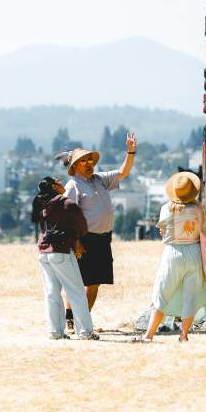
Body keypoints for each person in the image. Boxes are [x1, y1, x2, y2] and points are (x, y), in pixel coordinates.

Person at [57, 133, 137, 328]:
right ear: (74, 166)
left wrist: (131, 151)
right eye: (83, 161)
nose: (88, 163)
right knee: (78, 283)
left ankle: (80, 319)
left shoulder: (99, 180)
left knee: (94, 283)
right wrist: (75, 242)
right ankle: (72, 318)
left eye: (89, 159)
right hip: (84, 240)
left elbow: (123, 171)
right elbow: (68, 216)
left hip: (103, 240)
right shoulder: (73, 185)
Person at [141, 171, 206, 343]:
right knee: (191, 296)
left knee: (161, 293)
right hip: (194, 253)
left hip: (172, 253)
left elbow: (163, 232)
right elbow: (204, 231)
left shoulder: (166, 209)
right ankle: (184, 335)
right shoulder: (198, 209)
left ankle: (149, 334)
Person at [31, 176, 99, 340]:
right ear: (55, 186)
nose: (63, 183)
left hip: (43, 252)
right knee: (76, 292)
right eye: (59, 181)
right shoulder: (67, 203)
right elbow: (82, 226)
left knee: (51, 293)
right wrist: (77, 239)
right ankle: (85, 332)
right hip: (61, 250)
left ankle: (55, 331)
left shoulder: (42, 204)